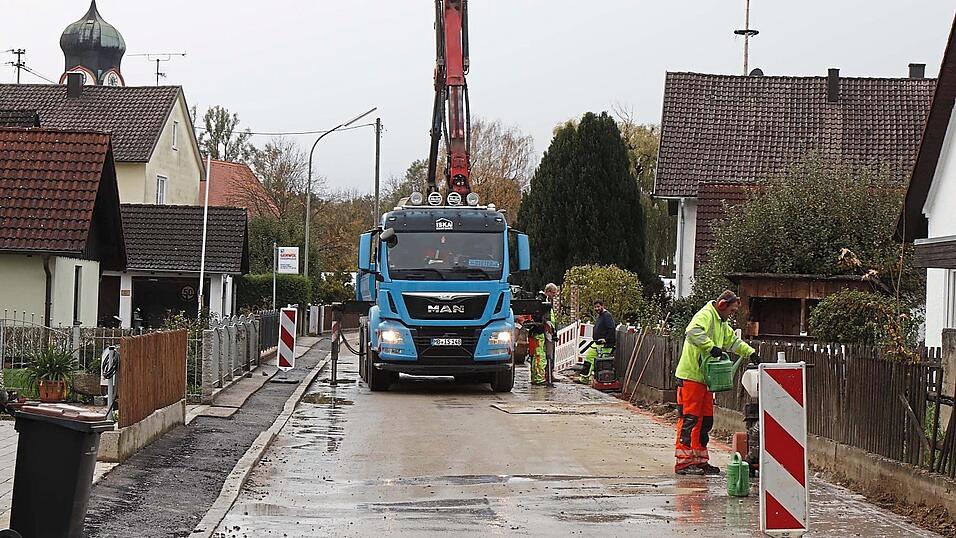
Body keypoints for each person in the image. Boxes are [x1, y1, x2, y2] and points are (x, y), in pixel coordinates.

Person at [674, 290, 758, 475]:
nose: (733, 314)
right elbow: (692, 332)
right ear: (722, 305)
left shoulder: (721, 322)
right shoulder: (705, 315)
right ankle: (684, 463)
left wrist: (750, 352)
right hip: (691, 376)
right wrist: (711, 348)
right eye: (732, 310)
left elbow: (733, 342)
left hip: (705, 378)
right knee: (690, 419)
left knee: (705, 421)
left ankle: (700, 460)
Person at [580, 300, 616, 383]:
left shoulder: (607, 316)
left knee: (601, 364)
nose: (596, 309)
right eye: (595, 307)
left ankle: (601, 380)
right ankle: (584, 378)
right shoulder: (600, 316)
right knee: (589, 358)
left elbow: (611, 329)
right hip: (597, 343)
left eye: (598, 307)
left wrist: (606, 340)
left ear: (603, 306)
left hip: (605, 345)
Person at [543, 283, 559, 386]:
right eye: (553, 293)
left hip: (551, 331)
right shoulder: (543, 301)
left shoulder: (549, 301)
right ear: (548, 291)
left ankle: (550, 374)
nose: (555, 295)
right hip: (547, 331)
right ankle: (547, 375)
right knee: (548, 354)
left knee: (552, 354)